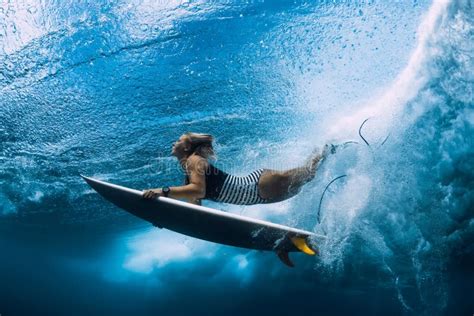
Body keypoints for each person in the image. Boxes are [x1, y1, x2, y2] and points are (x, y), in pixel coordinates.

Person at [142, 132, 331, 205]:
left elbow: (197, 190)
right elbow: (195, 203)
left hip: (258, 185)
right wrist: (166, 216)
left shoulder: (194, 161)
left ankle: (328, 147)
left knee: (310, 173)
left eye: (178, 141)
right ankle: (326, 154)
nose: (174, 143)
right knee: (309, 178)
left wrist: (162, 191)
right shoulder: (188, 171)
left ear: (186, 148)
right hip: (258, 196)